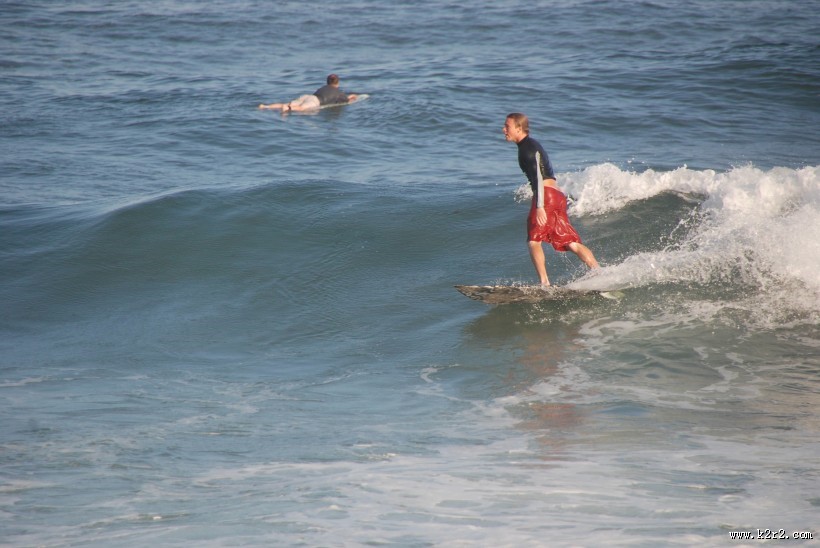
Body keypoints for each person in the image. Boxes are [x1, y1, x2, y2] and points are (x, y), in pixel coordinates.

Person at [503, 112, 599, 286]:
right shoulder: (533, 145)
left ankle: (544, 282)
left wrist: (540, 206)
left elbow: (538, 177)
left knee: (534, 240)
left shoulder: (526, 150)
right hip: (556, 195)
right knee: (570, 242)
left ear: (519, 128)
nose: (504, 130)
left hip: (545, 196)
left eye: (507, 126)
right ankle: (598, 271)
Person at [258, 73, 358, 112]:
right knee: (301, 109)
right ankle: (288, 108)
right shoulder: (339, 93)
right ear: (338, 83)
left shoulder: (323, 87)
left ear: (327, 82)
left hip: (308, 96)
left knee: (287, 103)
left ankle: (265, 106)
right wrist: (352, 96)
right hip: (316, 101)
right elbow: (346, 100)